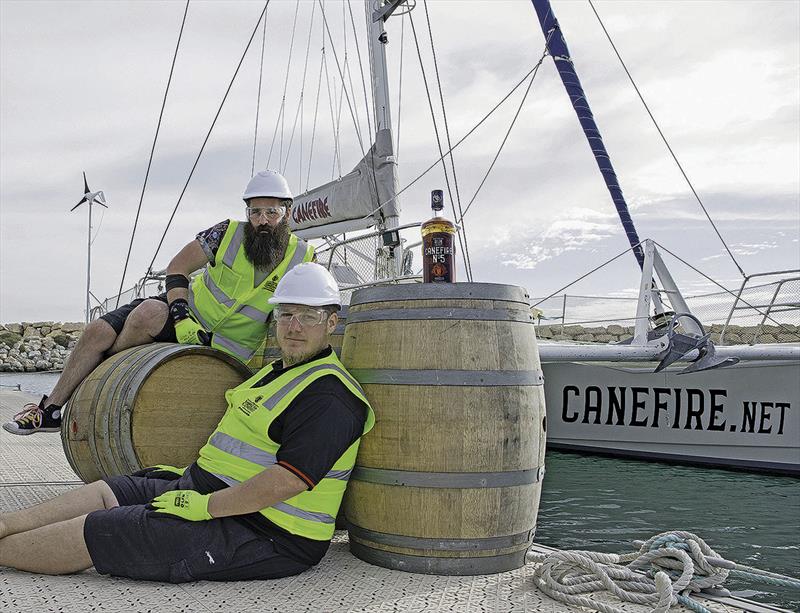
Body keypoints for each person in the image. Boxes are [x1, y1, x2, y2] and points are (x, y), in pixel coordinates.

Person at [0, 263, 375, 582]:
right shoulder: (281, 371)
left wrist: (205, 507)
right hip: (207, 487)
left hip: (267, 531)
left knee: (103, 530)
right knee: (107, 492)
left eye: (308, 316)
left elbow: (287, 481)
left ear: (331, 322)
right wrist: (194, 483)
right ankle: (6, 525)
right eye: (286, 314)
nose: (294, 326)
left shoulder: (331, 396)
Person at [4, 169, 315, 435]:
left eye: (271, 212)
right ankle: (49, 410)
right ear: (247, 211)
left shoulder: (303, 258)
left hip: (224, 348)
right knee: (98, 331)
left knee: (147, 314)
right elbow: (178, 267)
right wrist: (181, 315)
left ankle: (101, 372)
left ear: (286, 212)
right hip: (187, 314)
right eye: (255, 212)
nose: (262, 220)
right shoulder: (225, 233)